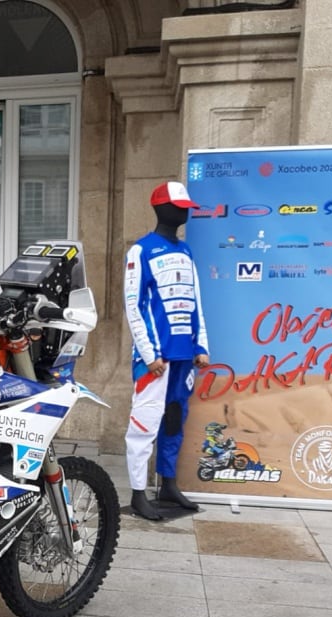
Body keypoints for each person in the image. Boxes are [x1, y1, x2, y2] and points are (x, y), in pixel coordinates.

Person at [123, 180, 210, 521]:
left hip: (184, 356)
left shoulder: (187, 251)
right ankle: (138, 492)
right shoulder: (140, 251)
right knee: (144, 423)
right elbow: (134, 305)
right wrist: (149, 354)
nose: (185, 211)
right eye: (179, 206)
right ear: (161, 208)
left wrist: (201, 344)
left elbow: (195, 303)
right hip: (155, 361)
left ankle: (169, 484)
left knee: (175, 420)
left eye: (187, 206)